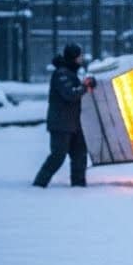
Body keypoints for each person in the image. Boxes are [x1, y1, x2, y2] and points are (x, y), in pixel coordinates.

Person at [33, 43, 95, 188]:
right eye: (79, 56)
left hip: (73, 123)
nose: (82, 59)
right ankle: (39, 184)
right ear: (73, 57)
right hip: (61, 124)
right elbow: (70, 94)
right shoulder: (61, 74)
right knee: (58, 156)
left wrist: (85, 85)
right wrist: (85, 86)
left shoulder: (70, 72)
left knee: (80, 154)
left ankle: (78, 186)